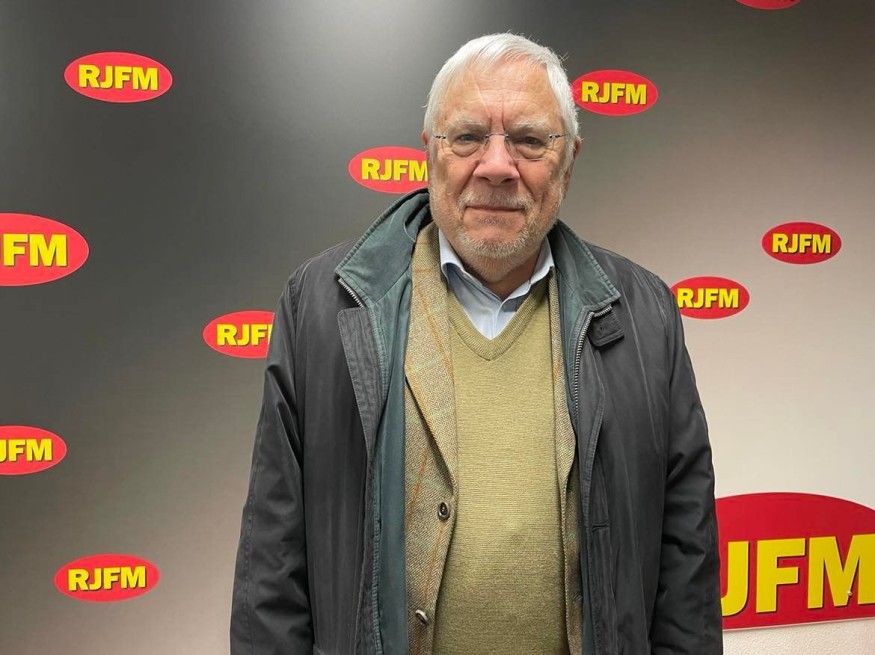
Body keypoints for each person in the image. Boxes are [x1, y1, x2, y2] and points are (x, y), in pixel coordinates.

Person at [231, 33, 722, 655]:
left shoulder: (644, 315)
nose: (496, 166)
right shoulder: (323, 308)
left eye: (529, 140)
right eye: (466, 137)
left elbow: (686, 566)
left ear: (568, 159)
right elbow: (272, 566)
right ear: (429, 152)